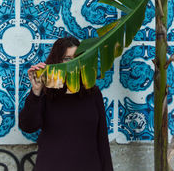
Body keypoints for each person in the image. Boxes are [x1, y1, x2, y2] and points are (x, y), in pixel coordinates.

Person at [19, 36, 113, 171]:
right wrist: (36, 91)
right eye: (67, 59)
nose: (73, 63)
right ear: (57, 61)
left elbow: (102, 139)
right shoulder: (47, 92)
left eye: (77, 58)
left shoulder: (92, 92)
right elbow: (28, 126)